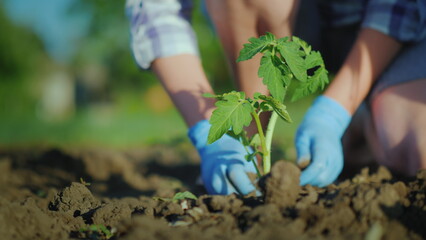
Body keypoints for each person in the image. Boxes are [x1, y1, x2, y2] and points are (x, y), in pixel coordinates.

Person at [125, 0, 426, 195]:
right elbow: (156, 12)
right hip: (285, 18)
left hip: (394, 34)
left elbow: (400, 7)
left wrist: (332, 113)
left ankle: (358, 116)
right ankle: (252, 159)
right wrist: (208, 133)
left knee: (417, 149)